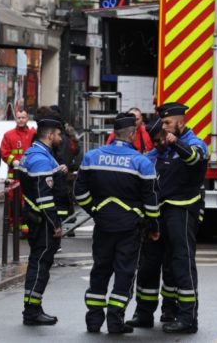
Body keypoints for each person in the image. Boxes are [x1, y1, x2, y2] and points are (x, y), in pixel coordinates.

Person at [73, 113, 159, 334]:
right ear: (131, 134)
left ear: (114, 133)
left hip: (103, 225)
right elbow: (151, 201)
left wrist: (95, 210)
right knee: (124, 273)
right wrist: (154, 227)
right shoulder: (142, 162)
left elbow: (79, 193)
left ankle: (93, 321)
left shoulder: (91, 157)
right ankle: (115, 321)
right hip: (130, 228)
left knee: (100, 270)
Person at [152, 102, 208, 334]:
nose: (163, 128)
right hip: (165, 210)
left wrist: (178, 144)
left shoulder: (195, 143)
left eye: (167, 123)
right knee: (169, 263)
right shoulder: (165, 147)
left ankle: (188, 318)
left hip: (183, 211)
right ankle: (170, 310)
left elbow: (195, 158)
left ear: (180, 122)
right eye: (162, 123)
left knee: (183, 262)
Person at [126, 116, 178, 329]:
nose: (158, 144)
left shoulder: (180, 155)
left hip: (173, 219)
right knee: (147, 268)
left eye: (160, 139)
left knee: (172, 268)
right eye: (154, 141)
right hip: (151, 221)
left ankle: (170, 309)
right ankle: (144, 312)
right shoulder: (148, 159)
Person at [18, 110, 64, 326]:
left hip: (35, 218)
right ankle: (32, 311)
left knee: (38, 264)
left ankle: (33, 306)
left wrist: (58, 172)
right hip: (43, 222)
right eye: (59, 135)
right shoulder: (40, 159)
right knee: (40, 266)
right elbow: (44, 197)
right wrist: (55, 224)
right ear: (50, 135)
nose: (61, 139)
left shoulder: (34, 154)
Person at [0, 110, 35, 236]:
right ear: (16, 119)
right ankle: (13, 224)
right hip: (14, 174)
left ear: (27, 119)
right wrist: (13, 161)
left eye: (23, 117)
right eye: (19, 117)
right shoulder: (9, 135)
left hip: (30, 172)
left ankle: (27, 224)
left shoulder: (33, 134)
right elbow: (4, 153)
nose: (21, 120)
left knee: (28, 200)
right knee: (13, 200)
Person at [49, 105, 81, 231]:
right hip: (67, 168)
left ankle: (65, 225)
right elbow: (77, 147)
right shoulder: (67, 130)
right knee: (67, 198)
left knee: (62, 199)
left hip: (62, 169)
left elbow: (73, 148)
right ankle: (69, 225)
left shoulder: (60, 132)